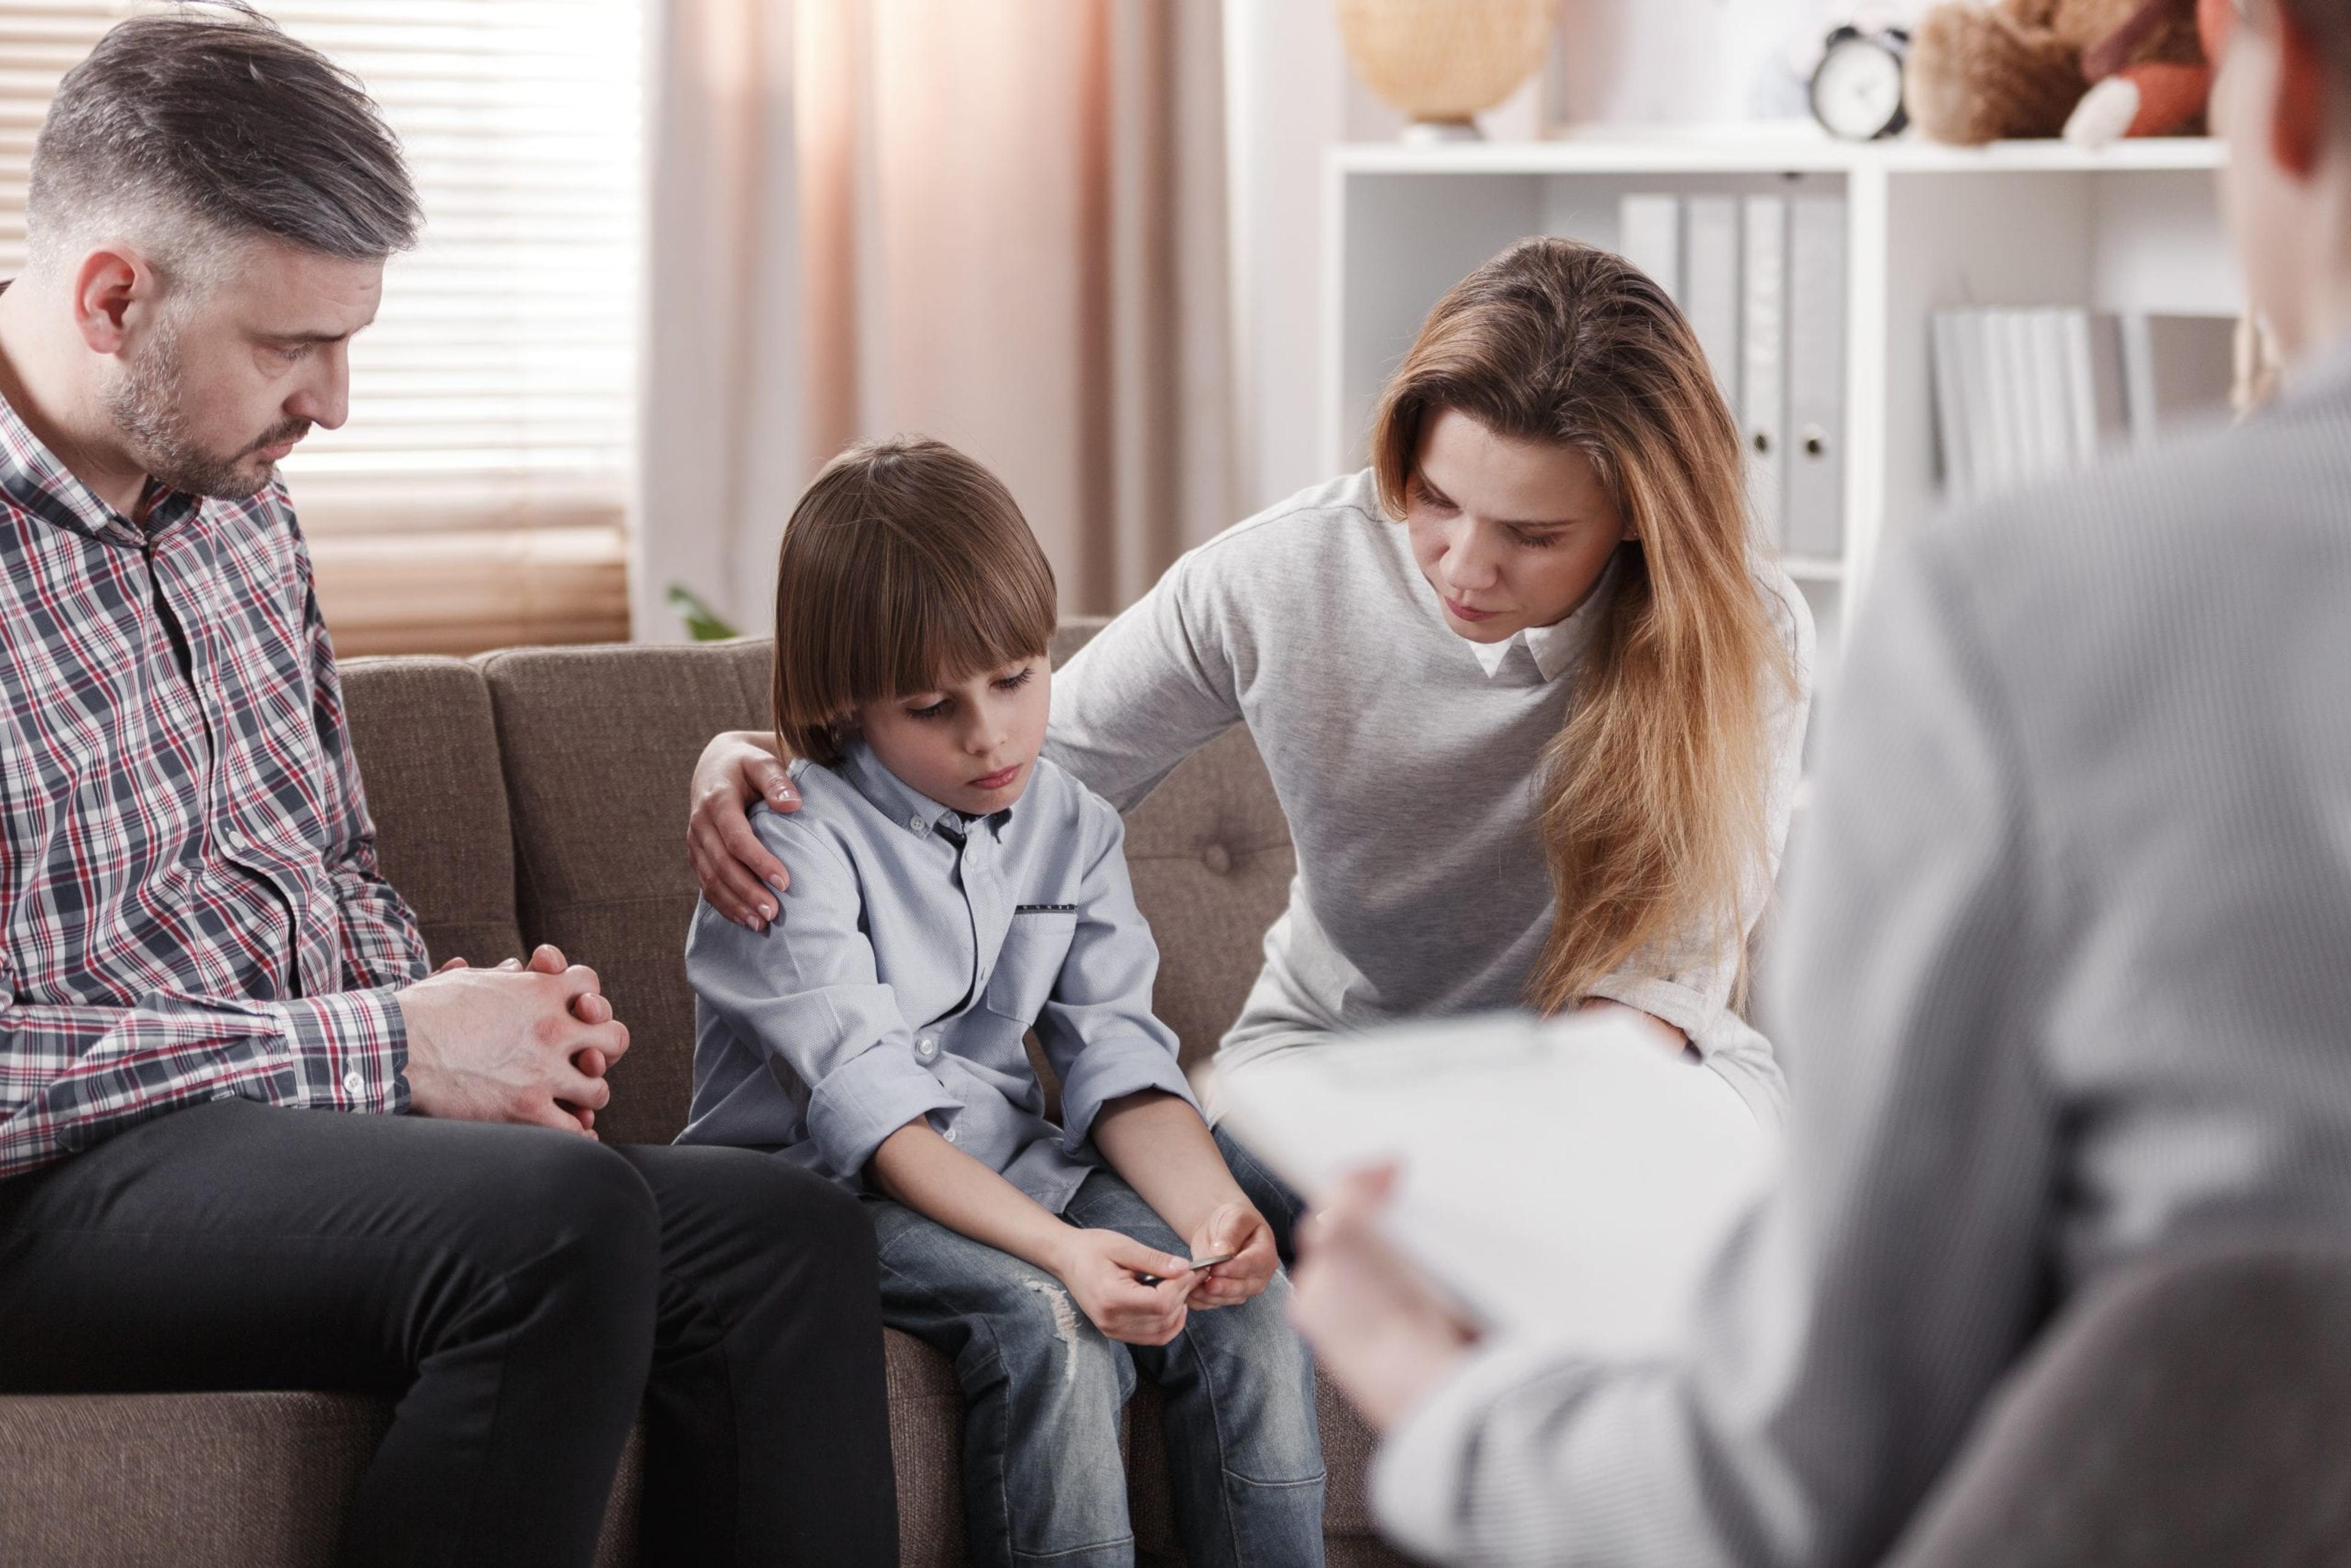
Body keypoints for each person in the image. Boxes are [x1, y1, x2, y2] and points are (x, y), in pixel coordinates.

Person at [1281, 0, 2351, 1563]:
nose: (1469, 562)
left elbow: (1795, 1478)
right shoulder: (1291, 572)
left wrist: (1434, 1397)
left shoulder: (2035, 616)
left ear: (2281, 74)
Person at [0, 14, 894, 1566]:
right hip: (50, 1188)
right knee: (555, 1230)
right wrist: (383, 1049)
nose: (333, 403)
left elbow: (327, 858)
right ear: (114, 298)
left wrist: (483, 1037)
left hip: (275, 1141)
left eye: (350, 343)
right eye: (293, 347)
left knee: (786, 1238)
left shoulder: (236, 509)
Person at [686, 238, 1817, 1255]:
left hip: (1622, 1076)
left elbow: (1656, 993)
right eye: (1434, 499)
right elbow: (1024, 764)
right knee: (1344, 1225)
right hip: (1335, 1066)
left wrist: (1514, 1162)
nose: (1465, 566)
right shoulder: (1285, 573)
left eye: (1533, 535)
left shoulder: (1741, 634)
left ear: (1637, 517)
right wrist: (778, 755)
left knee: (1664, 1225)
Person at [681, 435, 1325, 1568]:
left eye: (1017, 679)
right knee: (1052, 1324)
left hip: (1011, 1167)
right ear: (847, 704)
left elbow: (1120, 1063)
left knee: (1251, 1309)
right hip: (826, 1203)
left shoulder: (1070, 821)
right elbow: (882, 1129)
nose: (990, 734)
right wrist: (1067, 1253)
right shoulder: (786, 842)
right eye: (934, 705)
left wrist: (1216, 1217)